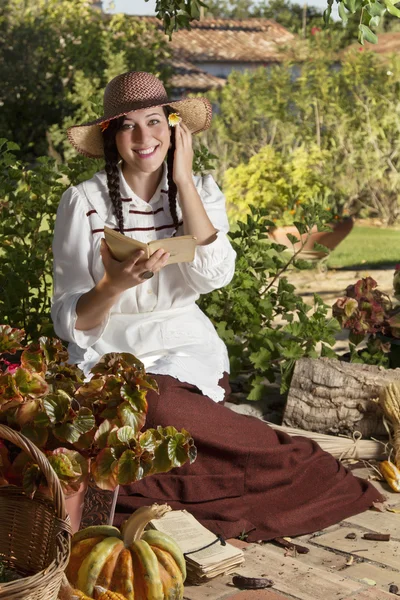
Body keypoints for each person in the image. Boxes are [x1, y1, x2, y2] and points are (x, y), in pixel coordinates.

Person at [52, 71, 383, 543]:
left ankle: (297, 462)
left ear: (174, 127)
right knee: (105, 437)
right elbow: (70, 318)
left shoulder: (200, 190)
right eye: (127, 126)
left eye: (154, 121)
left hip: (180, 352)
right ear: (111, 137)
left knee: (159, 404)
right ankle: (197, 484)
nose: (143, 137)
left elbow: (214, 276)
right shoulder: (82, 202)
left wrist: (183, 179)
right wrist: (110, 286)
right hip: (103, 357)